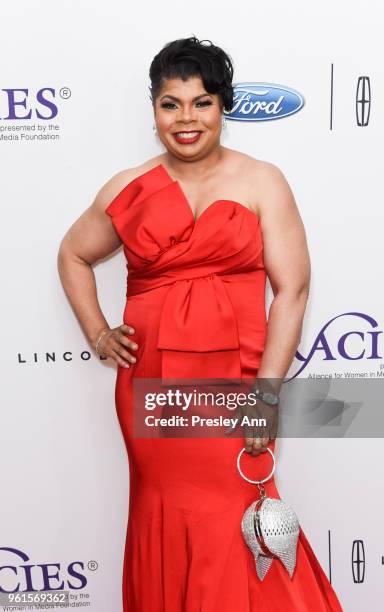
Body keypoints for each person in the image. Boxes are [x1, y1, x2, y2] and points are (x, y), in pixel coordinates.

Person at [57, 36, 343, 612]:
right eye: (170, 104)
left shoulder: (263, 181)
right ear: (155, 110)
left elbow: (293, 291)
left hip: (235, 384)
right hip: (152, 388)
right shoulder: (127, 187)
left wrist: (265, 396)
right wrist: (98, 331)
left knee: (237, 512)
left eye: (201, 102)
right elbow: (72, 253)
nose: (186, 119)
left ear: (224, 107)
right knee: (165, 509)